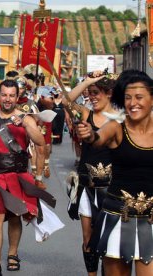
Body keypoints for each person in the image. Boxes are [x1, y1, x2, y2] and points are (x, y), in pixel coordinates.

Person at [0, 79, 63, 275]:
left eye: (12, 95)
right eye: (4, 95)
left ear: (17, 97)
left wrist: (26, 125)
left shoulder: (25, 117)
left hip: (18, 176)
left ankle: (12, 254)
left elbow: (39, 142)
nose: (8, 99)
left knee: (14, 218)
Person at [77, 69, 153, 276]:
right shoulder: (116, 126)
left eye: (139, 97)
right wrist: (89, 134)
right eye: (128, 98)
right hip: (118, 218)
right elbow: (97, 138)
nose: (132, 103)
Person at [65, 72, 118, 276]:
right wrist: (87, 81)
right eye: (90, 93)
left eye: (96, 93)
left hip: (111, 189)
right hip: (87, 187)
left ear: (109, 94)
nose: (92, 97)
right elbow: (65, 100)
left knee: (108, 240)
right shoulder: (86, 114)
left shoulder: (120, 120)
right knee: (88, 238)